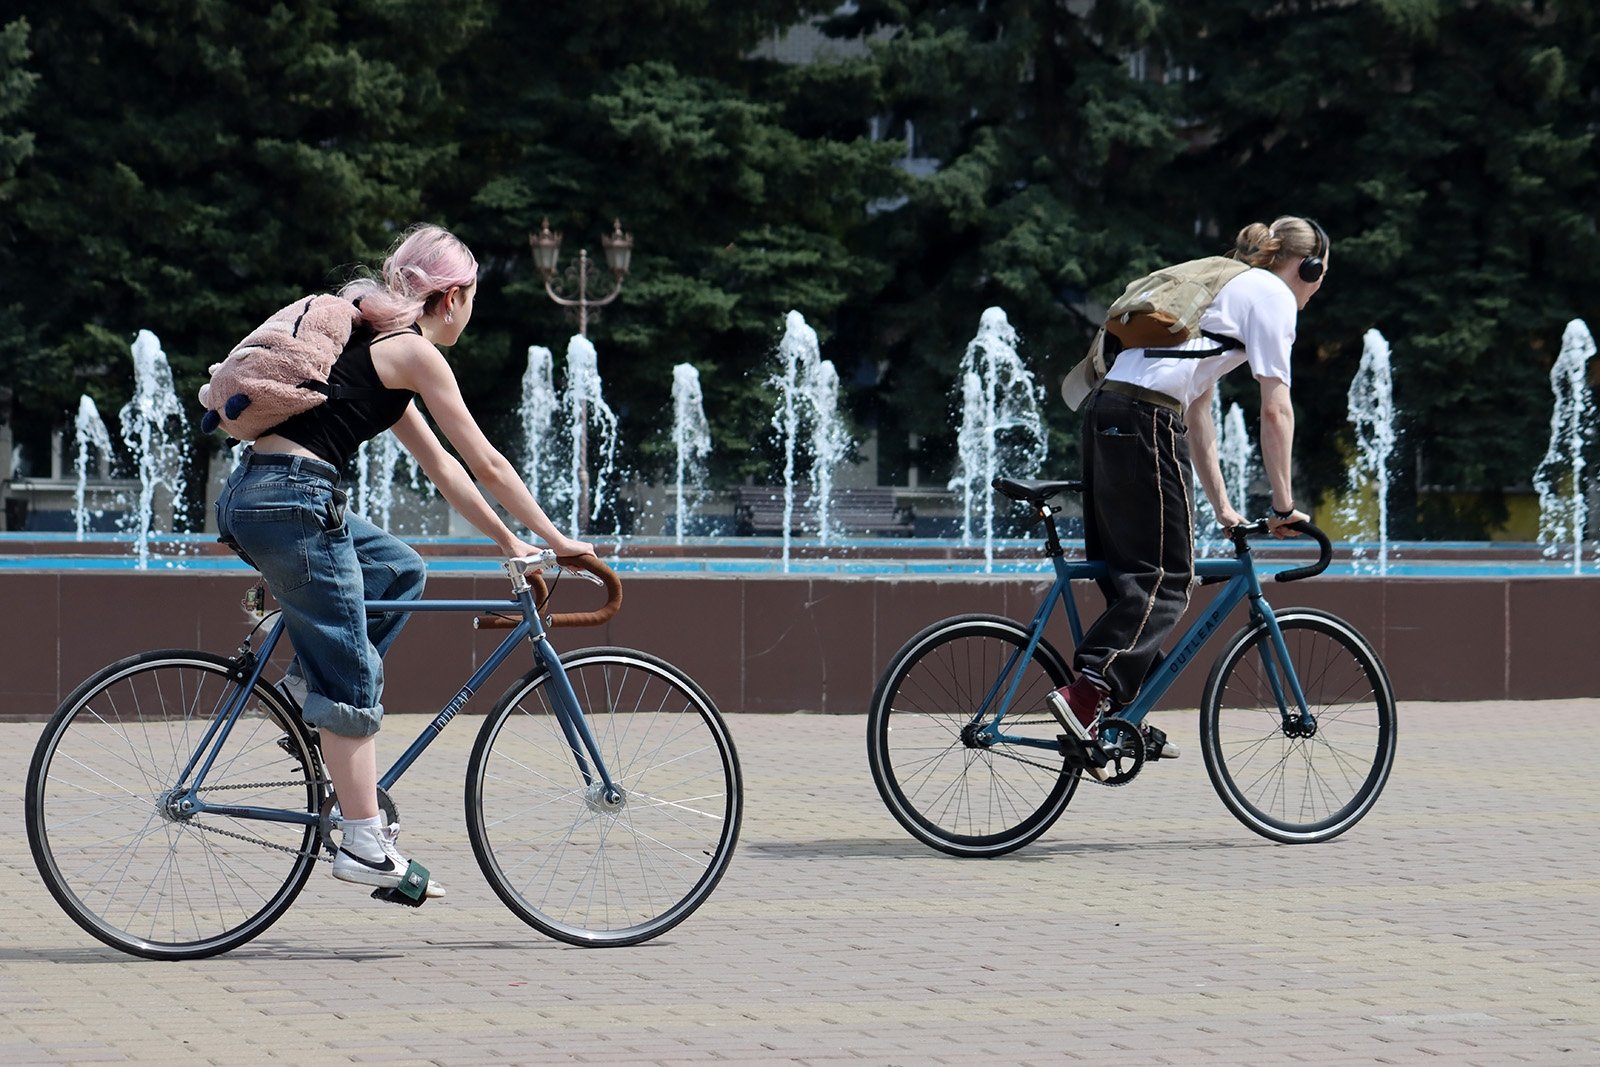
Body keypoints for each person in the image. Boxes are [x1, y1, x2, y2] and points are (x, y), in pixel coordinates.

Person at [216, 224, 593, 899]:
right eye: (471, 297)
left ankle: (307, 693)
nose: (470, 312)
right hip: (297, 500)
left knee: (397, 569)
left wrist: (510, 543)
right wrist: (555, 537)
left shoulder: (372, 350)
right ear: (449, 297)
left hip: (253, 494)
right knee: (355, 678)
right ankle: (362, 841)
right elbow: (487, 462)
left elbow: (445, 470)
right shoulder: (412, 352)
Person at [1049, 216, 1328, 778]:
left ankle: (1112, 717)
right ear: (1310, 267)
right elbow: (1275, 408)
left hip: (1109, 411)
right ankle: (1087, 693)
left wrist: (1223, 507)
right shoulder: (1272, 294)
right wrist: (1282, 505)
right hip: (1143, 419)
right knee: (1165, 580)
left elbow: (1197, 415)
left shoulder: (1226, 287)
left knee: (1131, 578)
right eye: (1322, 277)